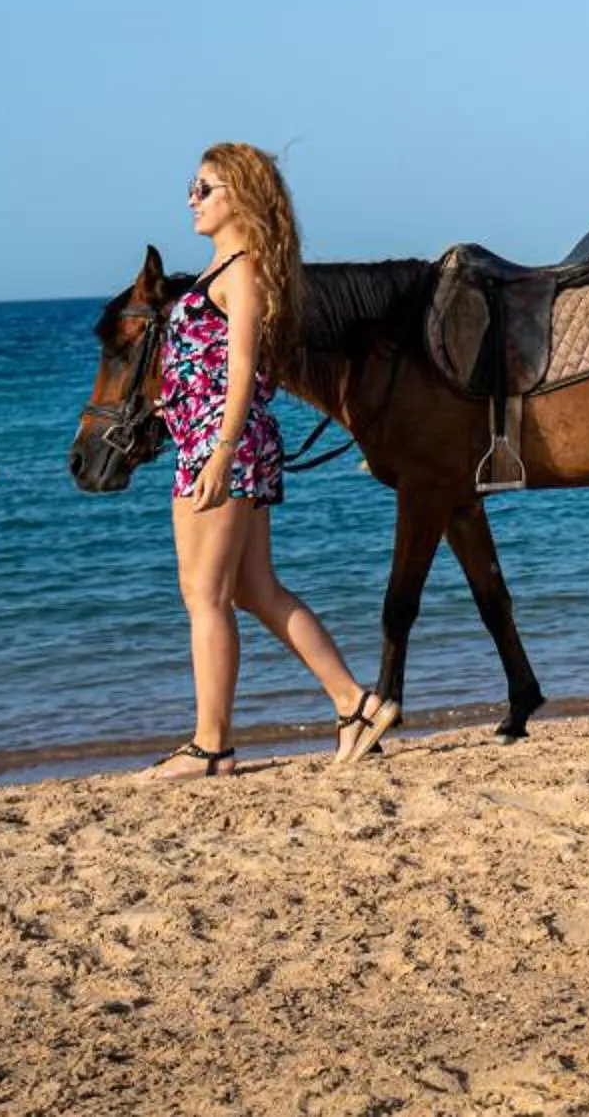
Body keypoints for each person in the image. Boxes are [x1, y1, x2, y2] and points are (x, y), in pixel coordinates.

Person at [144, 143, 395, 779]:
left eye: (206, 188)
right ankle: (355, 704)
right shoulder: (218, 270)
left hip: (222, 444)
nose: (192, 199)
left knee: (204, 595)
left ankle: (212, 744)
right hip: (210, 440)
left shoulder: (244, 271)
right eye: (192, 186)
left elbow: (245, 369)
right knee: (255, 590)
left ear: (242, 198)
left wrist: (221, 452)